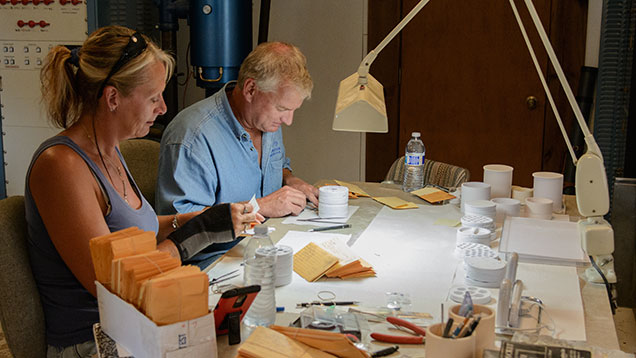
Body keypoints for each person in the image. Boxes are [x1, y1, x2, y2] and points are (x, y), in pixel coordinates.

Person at [27, 26, 259, 357]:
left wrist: (202, 218)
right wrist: (196, 235)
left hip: (140, 323)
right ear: (112, 98)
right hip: (94, 341)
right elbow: (111, 286)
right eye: (153, 98)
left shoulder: (110, 150)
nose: (163, 108)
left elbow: (134, 234)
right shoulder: (61, 165)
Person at [155, 41, 319, 220]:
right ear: (250, 89)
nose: (288, 121)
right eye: (282, 109)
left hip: (270, 240)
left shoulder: (266, 121)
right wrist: (257, 208)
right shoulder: (192, 136)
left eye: (293, 110)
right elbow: (177, 224)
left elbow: (275, 167)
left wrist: (288, 179)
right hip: (223, 248)